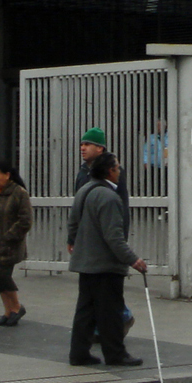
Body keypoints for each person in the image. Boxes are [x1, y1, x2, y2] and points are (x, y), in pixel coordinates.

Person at [67, 153, 146, 367]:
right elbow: (114, 237)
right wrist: (133, 260)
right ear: (110, 171)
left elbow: (73, 223)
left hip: (86, 263)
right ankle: (116, 354)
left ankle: (79, 352)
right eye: (117, 168)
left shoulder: (84, 190)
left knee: (86, 311)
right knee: (110, 312)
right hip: (105, 265)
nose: (120, 172)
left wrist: (73, 243)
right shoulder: (109, 197)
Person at [72, 126, 133, 334]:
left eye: (87, 144)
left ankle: (117, 319)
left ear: (100, 148)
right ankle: (106, 323)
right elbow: (77, 207)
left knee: (107, 283)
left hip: (107, 234)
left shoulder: (112, 171)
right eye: (82, 144)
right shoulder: (83, 173)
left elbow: (120, 205)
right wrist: (73, 237)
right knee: (95, 285)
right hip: (89, 236)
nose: (83, 148)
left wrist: (121, 235)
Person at [0, 160, 34, 325]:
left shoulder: (19, 193)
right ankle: (8, 311)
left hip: (8, 245)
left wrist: (9, 236)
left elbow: (25, 220)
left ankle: (17, 307)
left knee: (3, 276)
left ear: (7, 175)